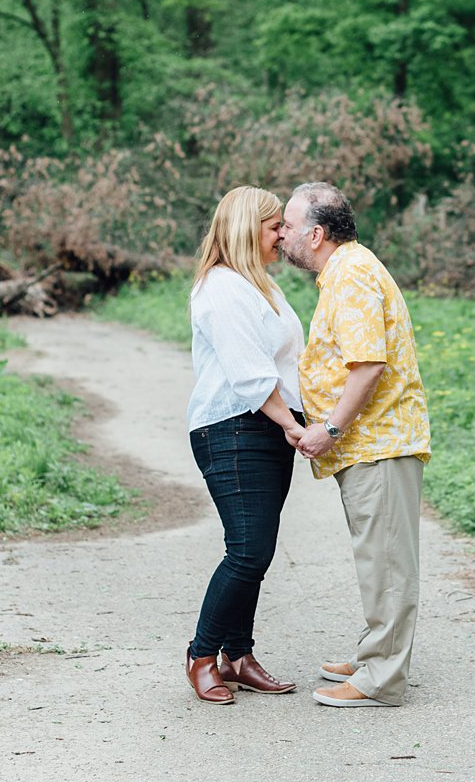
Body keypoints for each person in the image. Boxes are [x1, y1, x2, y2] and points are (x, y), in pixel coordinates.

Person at [279, 181, 431, 709]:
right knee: (378, 558)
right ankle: (376, 653)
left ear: (316, 234)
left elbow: (368, 364)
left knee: (387, 563)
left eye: (289, 226)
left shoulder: (351, 275)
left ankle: (381, 679)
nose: (280, 235)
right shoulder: (342, 272)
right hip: (371, 445)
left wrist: (330, 428)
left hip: (377, 443)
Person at [184, 186, 307, 704]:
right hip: (234, 429)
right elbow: (250, 374)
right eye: (275, 226)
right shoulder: (221, 288)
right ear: (244, 228)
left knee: (257, 551)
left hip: (266, 427)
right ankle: (202, 655)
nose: (283, 235)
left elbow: (287, 363)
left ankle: (238, 656)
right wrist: (293, 426)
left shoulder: (261, 286)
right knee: (248, 551)